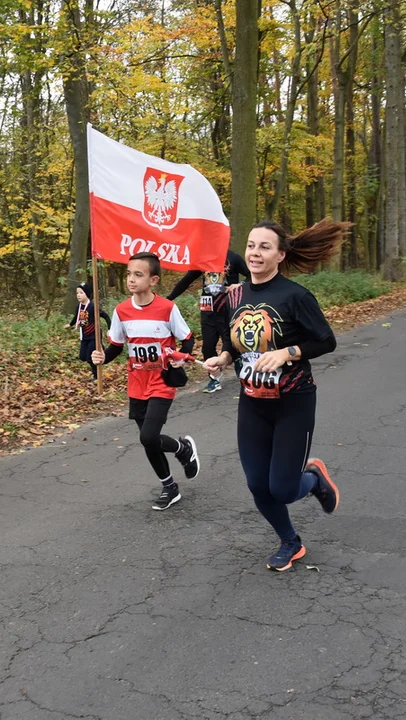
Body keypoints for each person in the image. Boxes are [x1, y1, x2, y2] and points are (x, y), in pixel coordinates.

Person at [204, 218, 347, 571]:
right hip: (252, 403)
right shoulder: (232, 296)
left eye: (264, 247)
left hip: (293, 403)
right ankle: (290, 542)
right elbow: (234, 341)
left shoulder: (295, 296)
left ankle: (312, 478)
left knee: (282, 488)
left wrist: (288, 352)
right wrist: (223, 358)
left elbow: (325, 341)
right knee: (258, 485)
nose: (255, 252)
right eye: (251, 245)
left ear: (280, 255)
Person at [92, 252, 200, 511]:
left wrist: (181, 358)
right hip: (136, 383)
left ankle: (181, 449)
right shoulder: (121, 310)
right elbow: (116, 346)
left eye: (138, 274)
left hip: (162, 380)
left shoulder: (167, 308)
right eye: (129, 273)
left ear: (153, 280)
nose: (131, 279)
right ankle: (171, 484)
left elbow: (187, 338)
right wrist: (101, 358)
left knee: (149, 436)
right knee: (147, 439)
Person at [166, 249, 250, 393]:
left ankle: (240, 364)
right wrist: (167, 300)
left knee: (231, 343)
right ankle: (214, 379)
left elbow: (251, 276)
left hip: (228, 309)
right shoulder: (202, 259)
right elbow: (186, 281)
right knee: (208, 347)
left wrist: (241, 285)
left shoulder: (233, 257)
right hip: (208, 310)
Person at [66, 282, 110, 380]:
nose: (78, 295)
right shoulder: (79, 306)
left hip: (94, 335)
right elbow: (76, 317)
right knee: (83, 357)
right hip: (84, 335)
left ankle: (96, 376)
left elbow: (106, 316)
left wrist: (110, 329)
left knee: (91, 357)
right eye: (77, 293)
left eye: (81, 293)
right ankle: (102, 353)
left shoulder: (93, 307)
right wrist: (70, 324)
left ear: (87, 294)